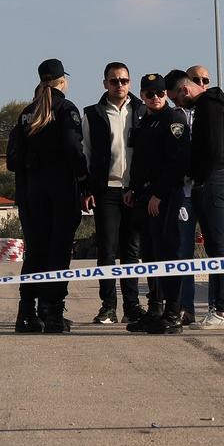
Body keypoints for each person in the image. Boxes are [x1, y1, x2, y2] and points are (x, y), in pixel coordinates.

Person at [7, 58, 88, 334]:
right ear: (62, 81)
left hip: (31, 193)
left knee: (36, 253)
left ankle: (28, 312)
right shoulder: (66, 109)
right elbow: (73, 149)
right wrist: (84, 178)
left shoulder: (26, 114)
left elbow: (11, 159)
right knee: (58, 253)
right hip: (61, 192)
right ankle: (52, 312)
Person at [169, 65, 224, 329]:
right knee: (214, 247)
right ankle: (219, 310)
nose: (178, 103)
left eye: (177, 98)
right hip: (210, 179)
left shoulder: (209, 108)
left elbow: (211, 150)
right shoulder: (208, 106)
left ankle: (222, 311)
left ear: (185, 89)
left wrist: (193, 174)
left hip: (210, 180)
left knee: (219, 247)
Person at [126, 72, 189, 333]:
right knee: (149, 255)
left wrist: (158, 195)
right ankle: (155, 310)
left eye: (160, 93)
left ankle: (173, 313)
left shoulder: (173, 119)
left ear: (167, 94)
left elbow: (177, 161)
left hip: (165, 197)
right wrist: (133, 189)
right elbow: (140, 162)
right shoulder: (144, 121)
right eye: (149, 94)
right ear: (142, 95)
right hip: (144, 196)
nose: (155, 98)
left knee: (168, 254)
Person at [84, 61, 143, 325]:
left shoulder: (142, 110)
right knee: (107, 251)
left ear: (130, 83)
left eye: (124, 81)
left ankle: (132, 306)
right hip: (106, 190)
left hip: (134, 191)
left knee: (131, 251)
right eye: (114, 81)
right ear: (104, 83)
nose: (119, 85)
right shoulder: (92, 114)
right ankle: (108, 306)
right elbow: (85, 154)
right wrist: (86, 188)